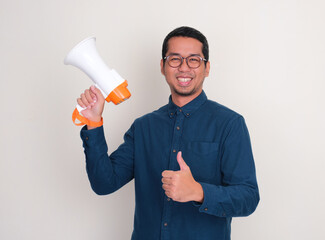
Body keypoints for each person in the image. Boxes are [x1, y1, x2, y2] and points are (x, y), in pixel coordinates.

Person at [77, 26, 259, 240]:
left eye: (194, 59)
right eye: (175, 59)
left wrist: (198, 192)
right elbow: (104, 184)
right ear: (163, 66)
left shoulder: (230, 124)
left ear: (206, 68)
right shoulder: (143, 127)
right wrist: (93, 122)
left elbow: (248, 197)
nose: (184, 67)